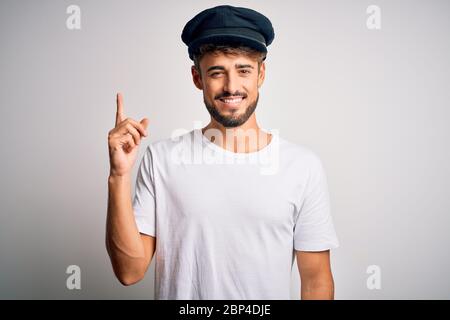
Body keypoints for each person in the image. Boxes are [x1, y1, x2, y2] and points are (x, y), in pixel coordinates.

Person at [106, 4, 339, 300]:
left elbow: (317, 280)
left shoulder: (302, 167)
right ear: (197, 78)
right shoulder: (161, 159)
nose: (232, 86)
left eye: (243, 70)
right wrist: (118, 175)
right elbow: (129, 271)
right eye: (217, 72)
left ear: (261, 74)